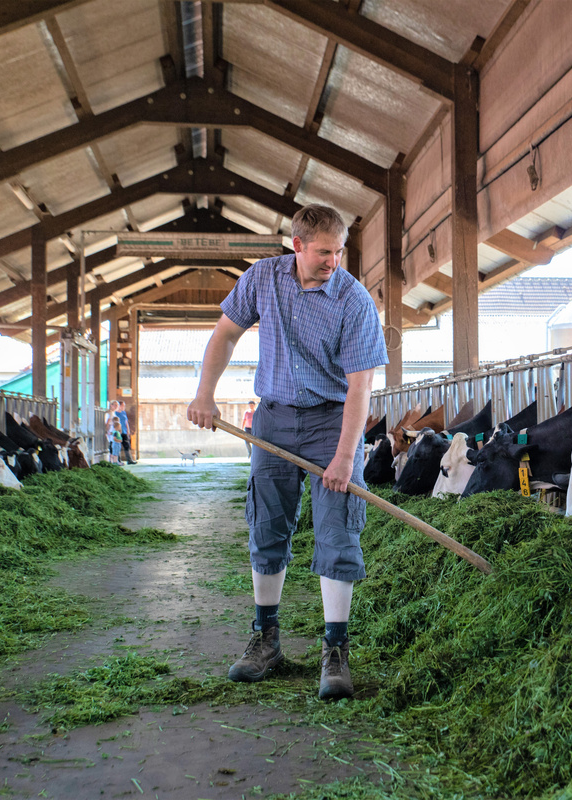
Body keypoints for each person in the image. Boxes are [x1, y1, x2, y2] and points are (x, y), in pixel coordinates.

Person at [186, 204, 388, 701]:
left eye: (339, 251)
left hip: (331, 420)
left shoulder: (354, 300)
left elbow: (361, 387)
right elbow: (226, 334)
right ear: (295, 245)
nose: (333, 261)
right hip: (273, 418)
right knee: (268, 522)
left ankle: (336, 648)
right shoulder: (263, 278)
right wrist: (204, 394)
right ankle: (265, 639)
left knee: (338, 525)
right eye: (324, 252)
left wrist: (345, 456)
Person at [116, 400, 136, 464]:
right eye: (123, 405)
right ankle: (118, 460)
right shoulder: (115, 413)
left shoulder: (123, 413)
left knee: (127, 445)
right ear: (119, 406)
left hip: (124, 431)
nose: (124, 407)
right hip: (118, 432)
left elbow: (126, 422)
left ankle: (129, 460)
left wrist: (128, 430)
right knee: (118, 446)